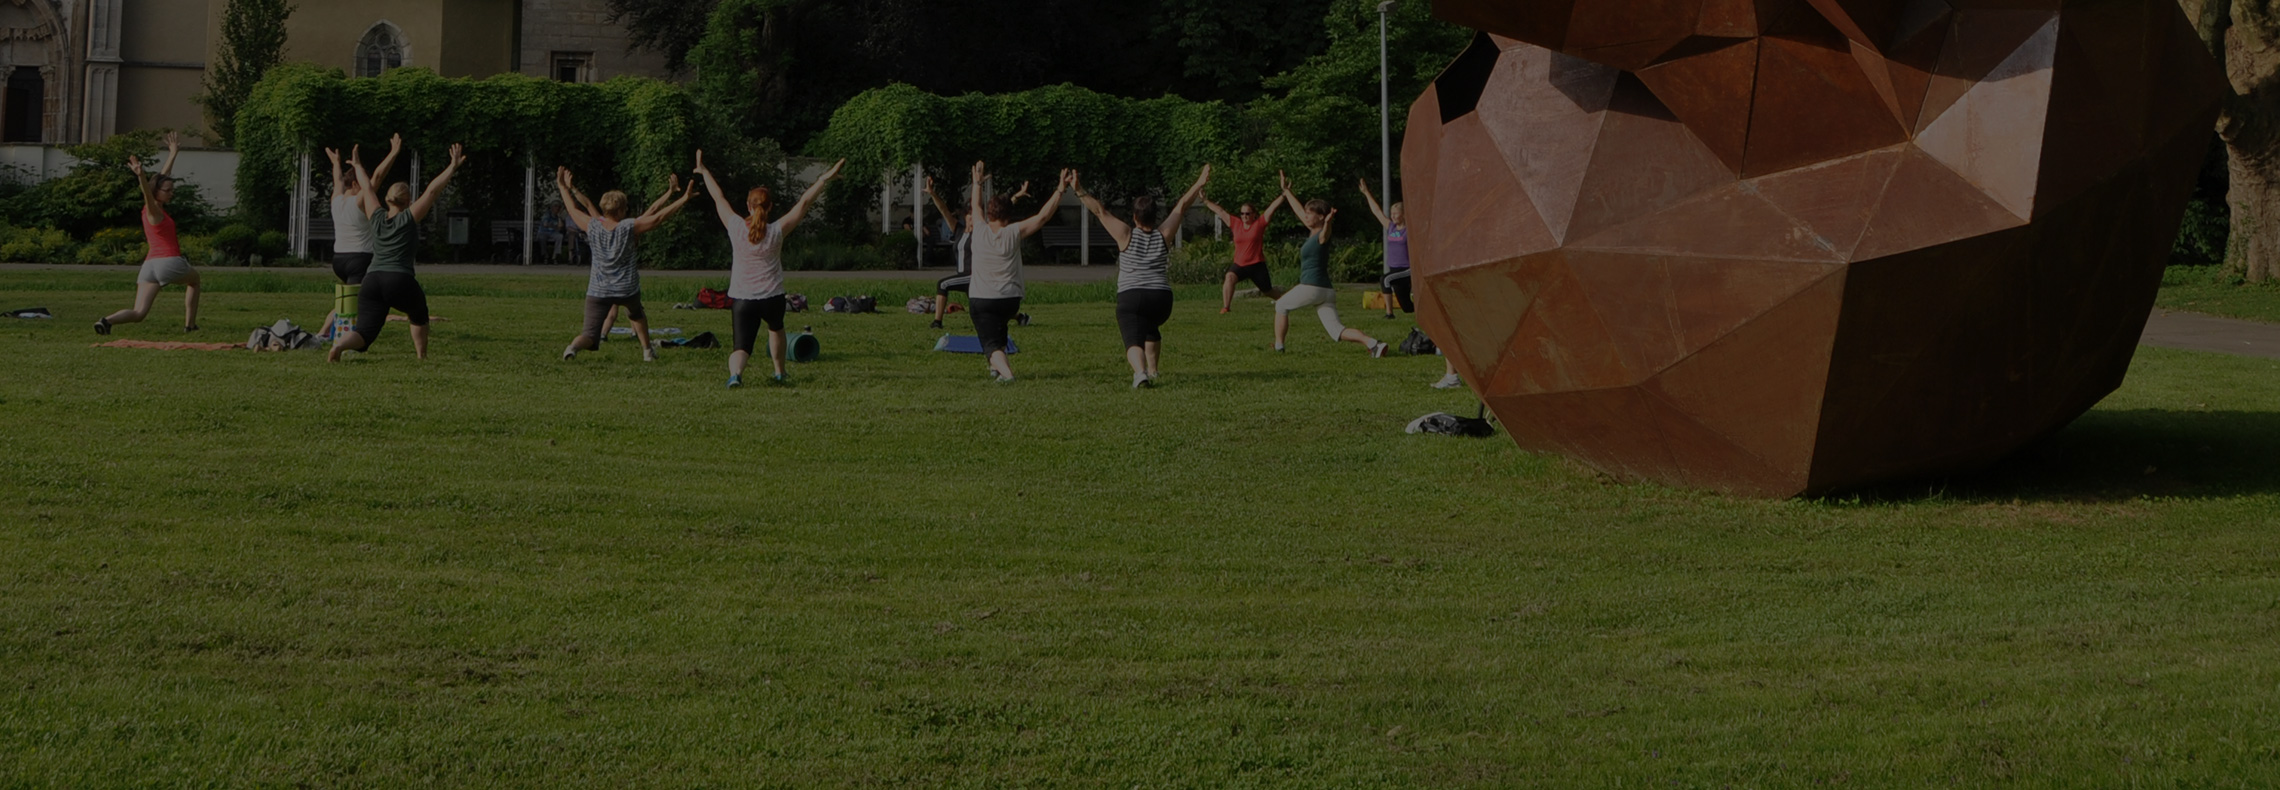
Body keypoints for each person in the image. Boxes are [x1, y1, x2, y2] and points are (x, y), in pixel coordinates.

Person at [694, 150, 842, 388]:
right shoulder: (776, 230)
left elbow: (718, 198)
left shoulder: (735, 226)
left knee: (741, 346)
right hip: (772, 296)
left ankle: (735, 376)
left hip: (743, 298)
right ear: (770, 206)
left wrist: (704, 172)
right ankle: (780, 372)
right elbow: (804, 203)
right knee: (776, 329)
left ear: (748, 206)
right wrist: (822, 179)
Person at [1070, 165, 1210, 388]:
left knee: (1133, 337)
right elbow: (1182, 206)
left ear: (1135, 217)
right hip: (1162, 301)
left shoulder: (1126, 234)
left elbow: (1100, 211)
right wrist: (1200, 182)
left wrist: (1079, 190)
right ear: (1155, 217)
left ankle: (1140, 373)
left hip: (1132, 296)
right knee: (1149, 326)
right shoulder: (1163, 235)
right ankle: (1153, 371)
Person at [327, 141, 467, 362]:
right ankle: (421, 356)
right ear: (408, 200)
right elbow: (432, 191)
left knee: (365, 332)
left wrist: (358, 164)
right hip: (399, 278)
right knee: (419, 314)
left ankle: (339, 346)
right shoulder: (408, 218)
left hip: (371, 280)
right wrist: (452, 166)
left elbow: (367, 187)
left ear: (387, 199)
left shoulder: (376, 215)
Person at [557, 168, 696, 362]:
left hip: (598, 290)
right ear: (621, 210)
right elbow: (657, 216)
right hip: (626, 289)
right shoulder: (629, 227)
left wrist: (564, 187)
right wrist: (683, 198)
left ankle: (572, 348)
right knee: (637, 314)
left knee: (589, 334)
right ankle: (647, 351)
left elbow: (574, 209)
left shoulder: (593, 225)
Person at [966, 161, 1071, 382]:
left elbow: (976, 206)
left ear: (990, 215)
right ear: (1008, 217)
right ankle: (996, 370)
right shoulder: (1013, 231)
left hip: (982, 298)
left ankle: (1006, 372)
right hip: (1010, 300)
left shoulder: (979, 229)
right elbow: (1042, 217)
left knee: (990, 343)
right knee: (1000, 328)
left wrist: (977, 182)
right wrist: (1060, 190)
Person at [1272, 172, 1388, 357]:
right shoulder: (1312, 230)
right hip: (1326, 292)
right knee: (1337, 330)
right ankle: (1373, 343)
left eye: (1311, 213)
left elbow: (1326, 233)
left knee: (1281, 306)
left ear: (1320, 217)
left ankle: (1279, 347)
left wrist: (1328, 222)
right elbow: (1299, 211)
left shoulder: (1321, 235)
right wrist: (1286, 191)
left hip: (1312, 287)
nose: (1307, 215)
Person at [1360, 179, 1462, 388]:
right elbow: (1377, 211)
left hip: (1408, 269)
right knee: (1409, 308)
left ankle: (1389, 312)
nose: (1395, 217)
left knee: (1384, 279)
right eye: (1393, 214)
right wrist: (1366, 193)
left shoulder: (1409, 230)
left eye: (1398, 214)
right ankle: (1431, 332)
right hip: (1397, 271)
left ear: (1404, 215)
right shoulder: (1390, 228)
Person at [96, 132, 199, 336]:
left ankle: (106, 321)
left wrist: (173, 154)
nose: (171, 193)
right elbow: (147, 191)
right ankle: (190, 325)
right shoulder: (153, 210)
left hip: (149, 266)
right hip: (169, 262)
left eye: (171, 189)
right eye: (168, 191)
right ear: (156, 193)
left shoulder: (154, 207)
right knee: (195, 281)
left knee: (139, 312)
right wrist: (141, 176)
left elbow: (162, 179)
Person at [315, 136, 402, 339]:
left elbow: (337, 180)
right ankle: (325, 333)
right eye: (361, 181)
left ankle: (338, 331)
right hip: (359, 259)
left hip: (339, 259)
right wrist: (393, 153)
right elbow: (378, 177)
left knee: (355, 297)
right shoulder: (360, 200)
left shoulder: (336, 200)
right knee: (348, 301)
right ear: (355, 182)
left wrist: (336, 163)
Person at [922, 177, 973, 329]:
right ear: (966, 217)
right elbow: (944, 210)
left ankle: (937, 322)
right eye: (970, 216)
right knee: (982, 306)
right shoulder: (958, 230)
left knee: (942, 284)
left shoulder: (981, 233)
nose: (972, 220)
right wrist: (932, 193)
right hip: (962, 276)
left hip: (973, 276)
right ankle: (1020, 317)